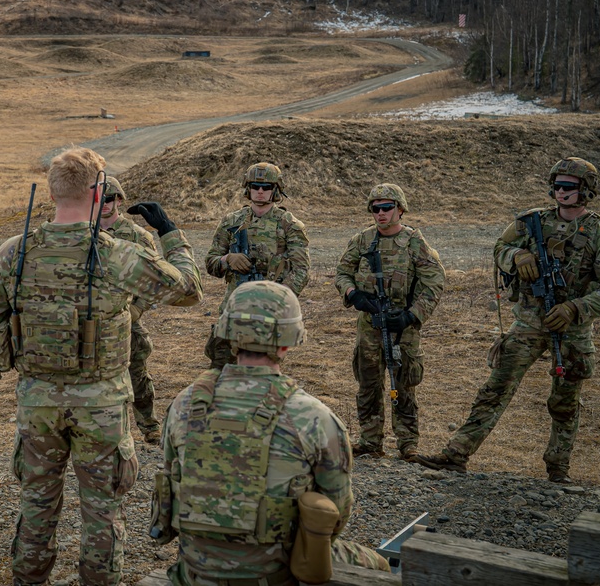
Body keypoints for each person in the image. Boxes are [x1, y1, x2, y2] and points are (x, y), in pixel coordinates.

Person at [0, 147, 203, 586]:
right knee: (102, 510)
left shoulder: (14, 252)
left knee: (36, 505)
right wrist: (171, 233)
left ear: (52, 194)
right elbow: (189, 289)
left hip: (38, 403)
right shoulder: (117, 255)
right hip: (102, 405)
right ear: (98, 193)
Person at [150, 281, 389, 586]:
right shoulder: (313, 417)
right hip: (276, 578)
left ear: (228, 335)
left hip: (194, 575)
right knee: (380, 566)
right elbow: (336, 515)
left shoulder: (184, 404)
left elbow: (171, 478)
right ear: (288, 342)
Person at [416, 158, 600, 483]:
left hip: (572, 329)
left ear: (586, 190)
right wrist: (517, 256)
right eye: (557, 185)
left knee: (565, 402)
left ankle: (558, 468)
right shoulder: (532, 223)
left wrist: (575, 309)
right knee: (496, 388)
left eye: (569, 186)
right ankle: (456, 454)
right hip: (529, 323)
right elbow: (501, 247)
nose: (561, 192)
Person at [334, 184, 445, 461]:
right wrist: (354, 294)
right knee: (368, 383)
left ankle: (408, 444)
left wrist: (412, 315)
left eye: (387, 207)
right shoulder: (362, 240)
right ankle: (370, 441)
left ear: (400, 209)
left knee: (404, 384)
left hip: (403, 326)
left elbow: (434, 282)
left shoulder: (414, 242)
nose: (381, 213)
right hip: (370, 323)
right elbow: (342, 272)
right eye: (375, 209)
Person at [204, 162, 309, 369]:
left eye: (266, 187)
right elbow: (211, 262)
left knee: (261, 372)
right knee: (221, 370)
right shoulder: (232, 222)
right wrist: (227, 260)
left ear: (275, 190)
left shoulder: (289, 224)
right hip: (233, 310)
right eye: (255, 186)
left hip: (268, 312)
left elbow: (301, 271)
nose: (260, 191)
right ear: (248, 188)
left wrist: (278, 300)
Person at [100, 177, 162, 444]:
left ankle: (148, 424)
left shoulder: (138, 236)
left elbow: (155, 279)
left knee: (136, 371)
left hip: (126, 316)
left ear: (119, 200)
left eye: (108, 199)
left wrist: (137, 309)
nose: (104, 204)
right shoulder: (83, 233)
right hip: (94, 317)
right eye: (98, 199)